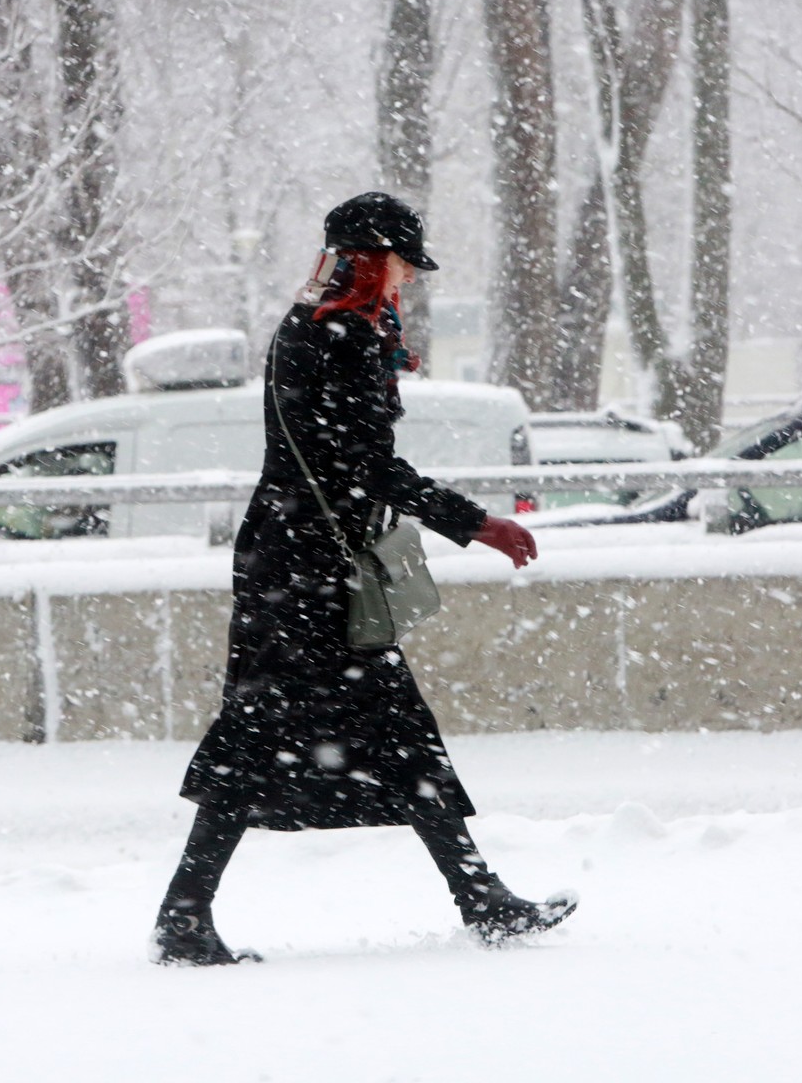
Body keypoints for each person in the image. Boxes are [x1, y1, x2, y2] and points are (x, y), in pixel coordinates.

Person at [152, 192, 577, 966]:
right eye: (402, 265)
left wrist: (382, 361)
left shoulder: (309, 326)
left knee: (307, 732)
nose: (406, 281)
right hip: (312, 573)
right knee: (317, 733)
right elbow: (367, 465)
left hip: (289, 559)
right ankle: (478, 900)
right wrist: (477, 523)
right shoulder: (341, 333)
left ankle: (477, 898)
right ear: (373, 257)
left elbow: (336, 448)